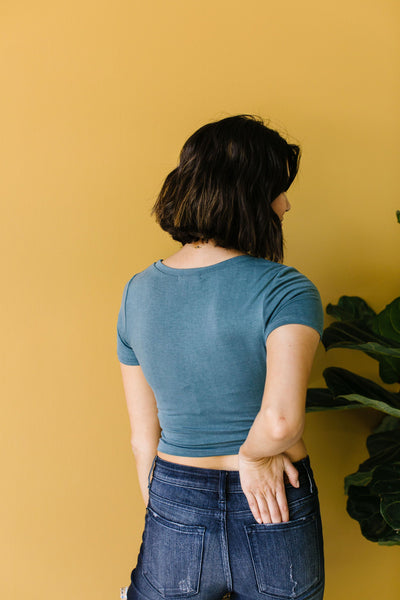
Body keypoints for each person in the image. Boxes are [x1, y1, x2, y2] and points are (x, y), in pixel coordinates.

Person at [117, 114, 325, 600]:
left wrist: (168, 511)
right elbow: (279, 422)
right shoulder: (286, 289)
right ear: (251, 195)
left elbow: (141, 436)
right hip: (272, 499)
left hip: (174, 492)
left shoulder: (138, 292)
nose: (286, 203)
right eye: (278, 188)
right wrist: (252, 457)